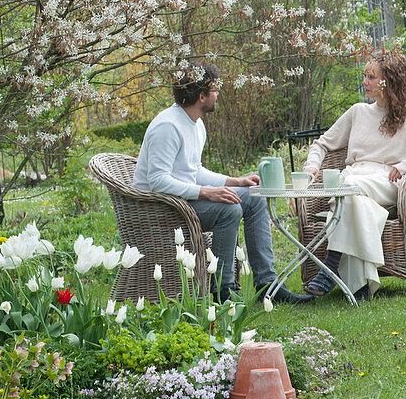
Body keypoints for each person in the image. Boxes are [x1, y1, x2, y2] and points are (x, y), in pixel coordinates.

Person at [132, 62, 312, 305]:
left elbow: (193, 171)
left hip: (184, 199)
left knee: (252, 196)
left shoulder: (196, 125)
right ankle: (222, 291)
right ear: (201, 95)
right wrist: (206, 193)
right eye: (215, 90)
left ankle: (267, 285)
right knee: (229, 209)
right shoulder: (168, 126)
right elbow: (157, 181)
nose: (218, 94)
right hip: (161, 209)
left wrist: (236, 181)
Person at [303, 51, 406, 302]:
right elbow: (321, 144)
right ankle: (360, 288)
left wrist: (403, 165)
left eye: (372, 77)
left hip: (387, 181)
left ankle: (330, 264)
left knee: (347, 188)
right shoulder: (358, 112)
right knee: (356, 202)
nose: (365, 82)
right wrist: (311, 166)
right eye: (365, 76)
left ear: (389, 82)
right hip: (354, 178)